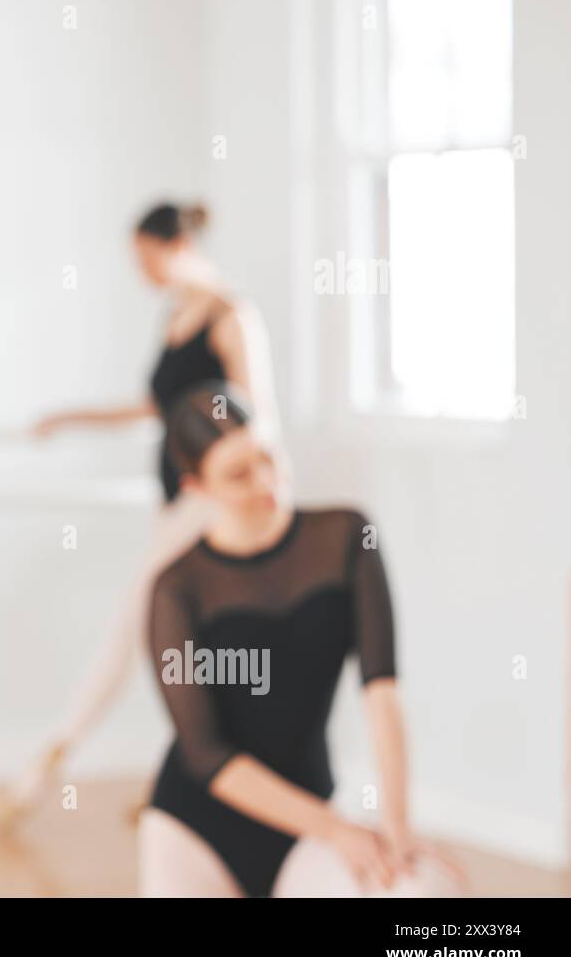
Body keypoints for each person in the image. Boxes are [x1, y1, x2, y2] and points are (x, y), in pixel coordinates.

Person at [0, 201, 281, 828]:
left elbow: (257, 418)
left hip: (212, 508)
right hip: (179, 503)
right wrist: (71, 418)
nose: (140, 270)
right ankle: (190, 775)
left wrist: (253, 500)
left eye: (144, 258)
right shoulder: (175, 316)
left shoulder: (233, 315)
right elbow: (159, 408)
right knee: (175, 638)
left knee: (139, 625)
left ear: (176, 244)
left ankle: (52, 759)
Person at [137, 383, 466, 897]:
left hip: (307, 824)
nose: (266, 480)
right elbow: (206, 755)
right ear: (197, 486)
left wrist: (399, 830)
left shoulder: (349, 537)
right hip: (196, 830)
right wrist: (338, 829)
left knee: (422, 893)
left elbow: (382, 691)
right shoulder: (175, 590)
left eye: (267, 455)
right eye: (238, 474)